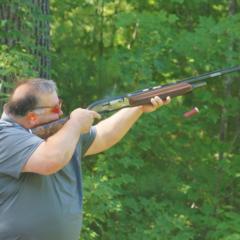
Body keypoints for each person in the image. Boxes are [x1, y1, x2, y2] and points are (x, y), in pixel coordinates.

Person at [0, 78, 170, 240]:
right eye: (54, 109)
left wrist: (137, 107)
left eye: (59, 104)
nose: (60, 112)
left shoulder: (61, 134)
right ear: (32, 117)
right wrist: (75, 124)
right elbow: (50, 160)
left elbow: (103, 136)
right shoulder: (4, 135)